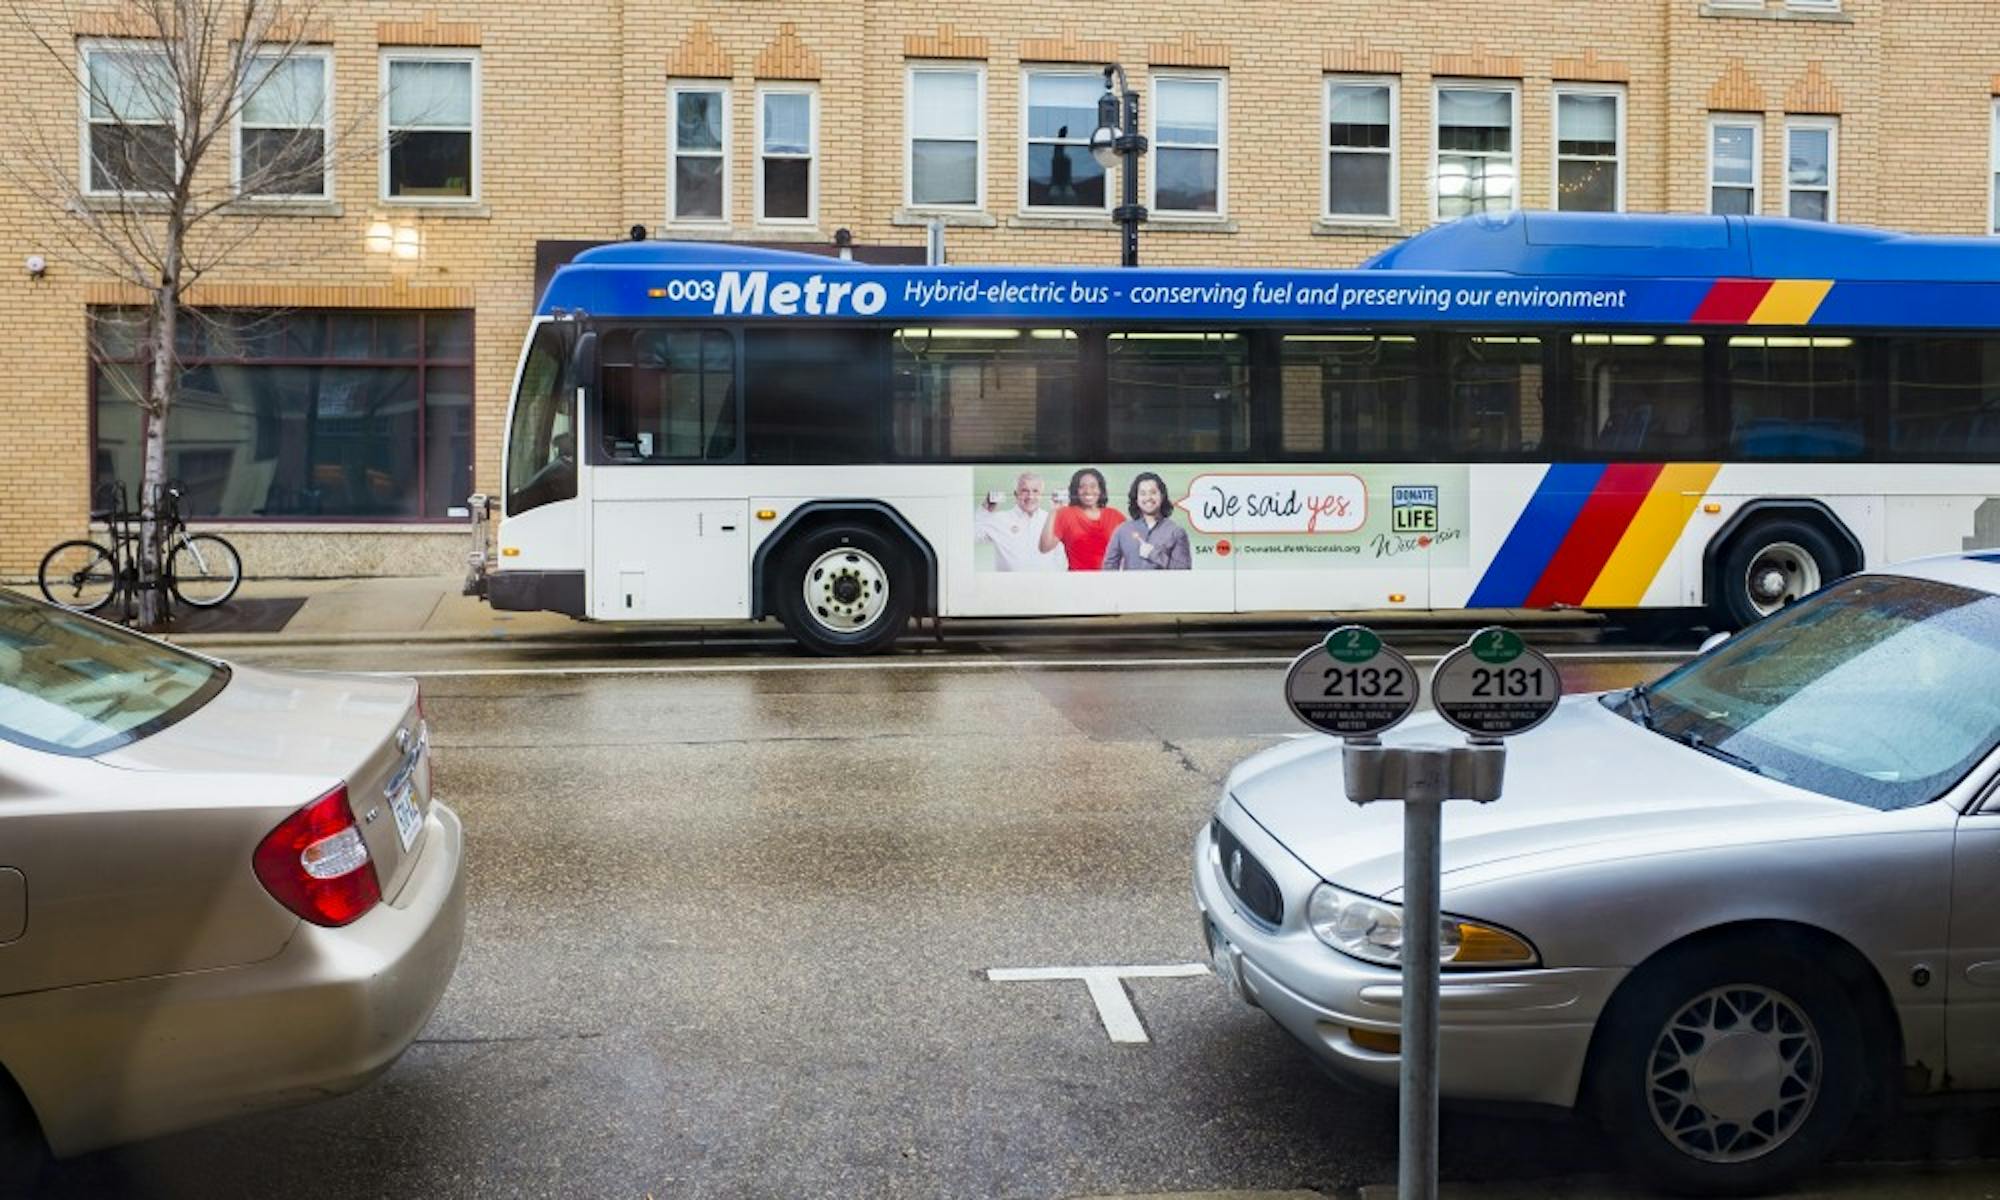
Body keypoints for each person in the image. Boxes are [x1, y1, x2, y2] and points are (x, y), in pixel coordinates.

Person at [974, 472, 1063, 572]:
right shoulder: (999, 519)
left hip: (1045, 584)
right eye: (1025, 491)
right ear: (1015, 494)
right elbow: (972, 537)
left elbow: (1059, 556)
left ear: (1041, 494)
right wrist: (984, 510)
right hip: (1009, 585)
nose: (1030, 496)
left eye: (1035, 491)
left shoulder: (1052, 519)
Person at [1103, 472, 1191, 571]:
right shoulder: (1122, 530)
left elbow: (1183, 573)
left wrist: (1154, 554)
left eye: (1153, 492)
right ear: (1136, 499)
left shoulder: (1176, 532)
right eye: (1143, 493)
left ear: (1162, 496)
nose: (1148, 498)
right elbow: (1109, 568)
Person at [1039, 467, 1116, 571]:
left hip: (1108, 580)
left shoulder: (1114, 515)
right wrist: (1053, 511)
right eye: (1082, 487)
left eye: (1093, 486)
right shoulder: (1066, 514)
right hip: (1075, 581)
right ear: (1076, 490)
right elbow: (1044, 547)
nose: (1088, 491)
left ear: (1100, 489)